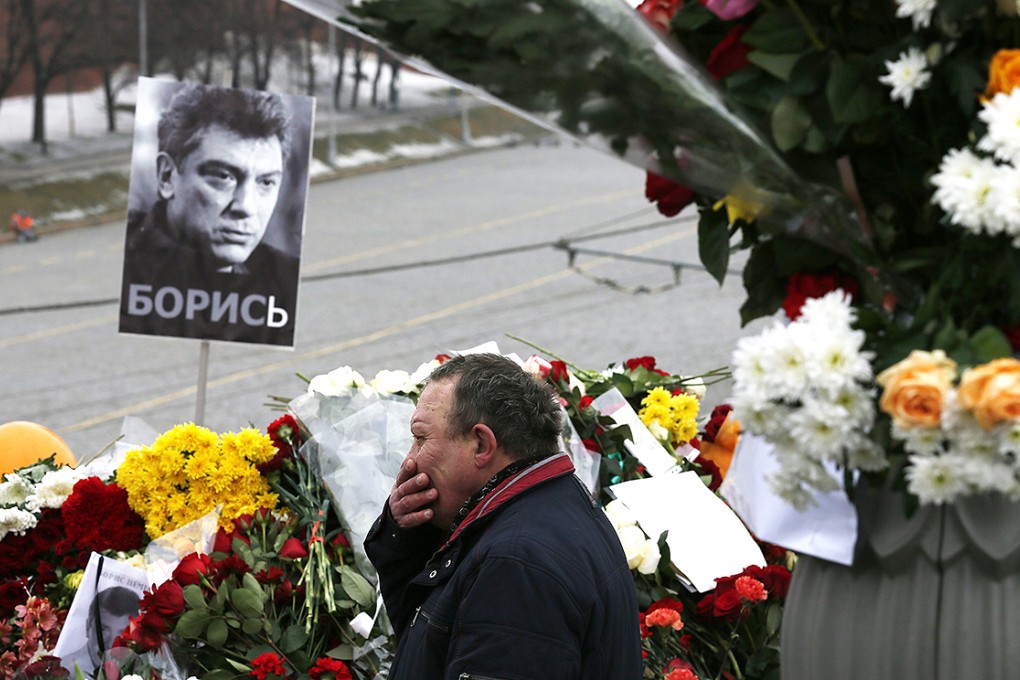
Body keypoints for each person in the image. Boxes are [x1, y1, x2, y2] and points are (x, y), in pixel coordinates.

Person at [364, 353, 643, 680]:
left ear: (481, 444)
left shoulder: (515, 562)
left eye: (421, 439)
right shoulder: (554, 502)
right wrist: (409, 539)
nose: (410, 460)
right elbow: (427, 642)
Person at [119, 82, 301, 345]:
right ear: (167, 176)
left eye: (266, 182)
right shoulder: (125, 269)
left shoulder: (286, 281)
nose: (246, 207)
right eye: (223, 177)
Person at [58, 585, 141, 674]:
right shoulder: (63, 671)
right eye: (103, 630)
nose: (111, 643)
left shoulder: (141, 670)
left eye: (124, 633)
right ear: (88, 626)